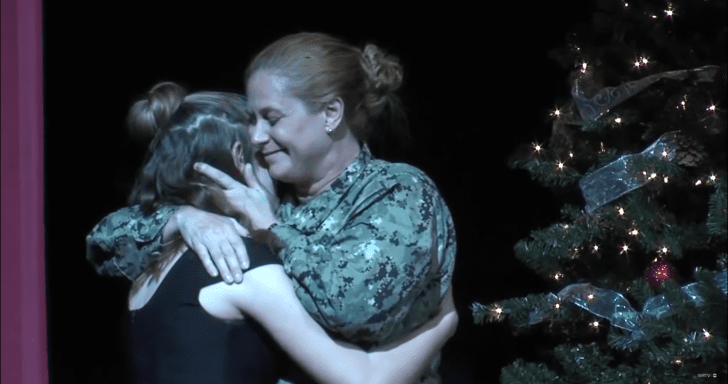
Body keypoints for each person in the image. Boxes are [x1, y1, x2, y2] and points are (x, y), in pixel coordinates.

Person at [87, 32, 457, 383]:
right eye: (252, 119)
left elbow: (352, 312)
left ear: (330, 113)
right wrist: (183, 218)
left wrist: (272, 226)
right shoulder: (276, 194)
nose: (256, 137)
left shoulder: (396, 192)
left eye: (272, 119)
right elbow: (105, 242)